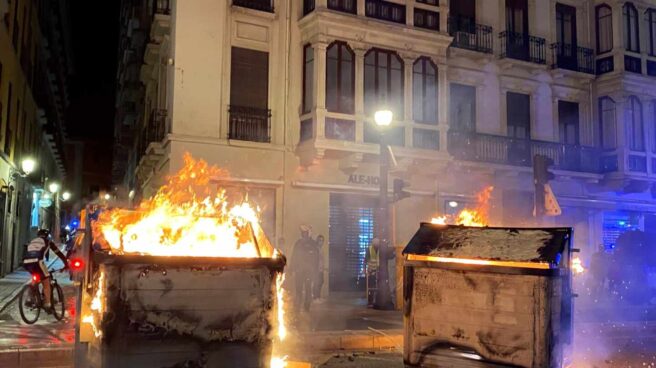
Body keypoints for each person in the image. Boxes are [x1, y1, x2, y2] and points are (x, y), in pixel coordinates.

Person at [23, 229, 69, 311]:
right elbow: (58, 253)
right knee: (46, 281)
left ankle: (29, 298)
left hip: (26, 262)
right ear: (47, 236)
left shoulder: (32, 241)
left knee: (35, 278)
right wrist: (66, 263)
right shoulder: (48, 242)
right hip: (38, 262)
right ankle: (47, 304)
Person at [291, 225, 319, 312]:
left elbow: (316, 259)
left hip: (309, 272)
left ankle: (307, 307)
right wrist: (292, 268)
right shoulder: (298, 243)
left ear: (308, 234)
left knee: (308, 289)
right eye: (302, 233)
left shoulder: (313, 244)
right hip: (299, 271)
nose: (303, 235)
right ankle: (298, 307)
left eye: (305, 233)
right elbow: (294, 257)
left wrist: (315, 271)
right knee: (298, 289)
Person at [313, 235, 325, 301]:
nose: (321, 242)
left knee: (321, 282)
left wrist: (323, 268)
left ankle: (318, 297)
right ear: (317, 241)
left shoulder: (321, 249)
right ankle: (315, 297)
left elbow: (322, 260)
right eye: (320, 240)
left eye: (322, 240)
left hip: (321, 269)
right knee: (316, 283)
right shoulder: (316, 249)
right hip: (316, 269)